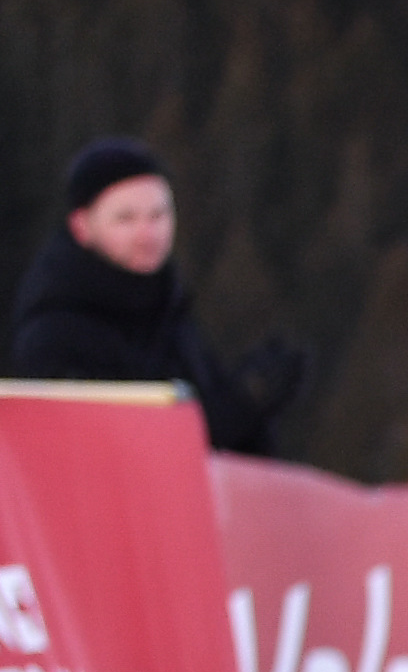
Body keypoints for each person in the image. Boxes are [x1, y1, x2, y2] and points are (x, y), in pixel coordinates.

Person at [9, 139, 303, 453]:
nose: (147, 234)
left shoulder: (168, 311)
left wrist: (254, 405)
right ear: (82, 226)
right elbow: (112, 453)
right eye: (126, 219)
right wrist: (242, 403)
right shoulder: (56, 333)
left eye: (158, 215)